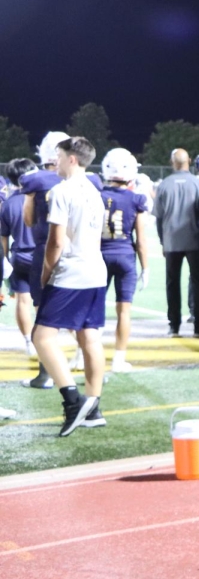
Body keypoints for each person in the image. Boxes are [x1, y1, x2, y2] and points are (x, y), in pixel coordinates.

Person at [31, 136, 109, 437]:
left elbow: (56, 241)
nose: (56, 161)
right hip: (95, 271)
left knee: (43, 337)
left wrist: (46, 272)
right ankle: (94, 407)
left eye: (59, 156)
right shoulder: (94, 190)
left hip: (71, 272)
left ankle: (73, 401)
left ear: (72, 159)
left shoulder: (62, 191)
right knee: (89, 335)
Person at [20, 131, 71, 388]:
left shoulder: (35, 181)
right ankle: (91, 366)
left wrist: (30, 197)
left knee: (43, 315)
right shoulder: (87, 181)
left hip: (47, 249)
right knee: (81, 316)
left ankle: (45, 374)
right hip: (79, 253)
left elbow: (28, 221)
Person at [99, 148, 150, 372]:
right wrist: (145, 267)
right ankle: (119, 360)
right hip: (125, 257)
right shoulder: (136, 198)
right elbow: (140, 239)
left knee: (93, 309)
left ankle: (85, 354)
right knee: (124, 311)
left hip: (99, 256)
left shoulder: (96, 194)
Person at [154, 148, 199, 337]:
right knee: (198, 282)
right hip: (194, 240)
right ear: (189, 161)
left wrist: (163, 240)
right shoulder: (197, 183)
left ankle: (174, 325)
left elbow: (159, 218)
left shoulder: (164, 185)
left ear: (172, 162)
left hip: (171, 241)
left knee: (172, 282)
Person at [1, 157, 39, 358]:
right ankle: (45, 341)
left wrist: (4, 261)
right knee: (42, 303)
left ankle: (28, 342)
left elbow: (3, 238)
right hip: (40, 256)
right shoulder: (41, 198)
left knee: (22, 302)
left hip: (19, 257)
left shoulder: (8, 204)